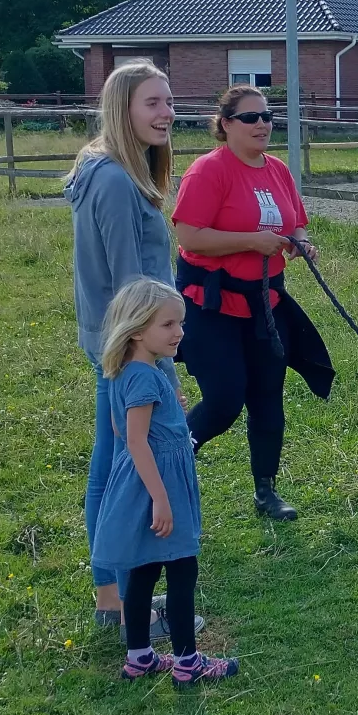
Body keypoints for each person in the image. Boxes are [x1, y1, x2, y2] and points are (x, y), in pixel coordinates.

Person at [66, 60, 195, 639]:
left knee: (110, 460)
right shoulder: (116, 180)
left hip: (116, 340)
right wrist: (161, 366)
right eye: (153, 103)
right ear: (122, 109)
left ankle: (112, 593)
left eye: (169, 101)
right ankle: (120, 601)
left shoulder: (109, 169)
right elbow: (127, 285)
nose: (167, 113)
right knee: (118, 468)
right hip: (127, 346)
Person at [171, 85, 333, 520]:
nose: (262, 124)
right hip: (211, 305)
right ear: (226, 124)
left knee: (267, 397)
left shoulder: (277, 170)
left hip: (265, 303)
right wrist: (252, 242)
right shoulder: (208, 171)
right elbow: (189, 236)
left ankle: (266, 491)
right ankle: (164, 467)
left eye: (266, 117)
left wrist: (300, 243)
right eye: (250, 117)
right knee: (224, 399)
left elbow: (296, 222)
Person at [92, 279, 238, 685]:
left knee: (144, 569)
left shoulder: (127, 372)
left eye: (181, 323)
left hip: (141, 483)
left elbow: (121, 430)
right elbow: (136, 439)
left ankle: (139, 656)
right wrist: (160, 497)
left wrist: (168, 410)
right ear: (137, 329)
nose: (180, 332)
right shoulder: (144, 378)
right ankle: (188, 663)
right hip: (159, 486)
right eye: (169, 324)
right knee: (182, 570)